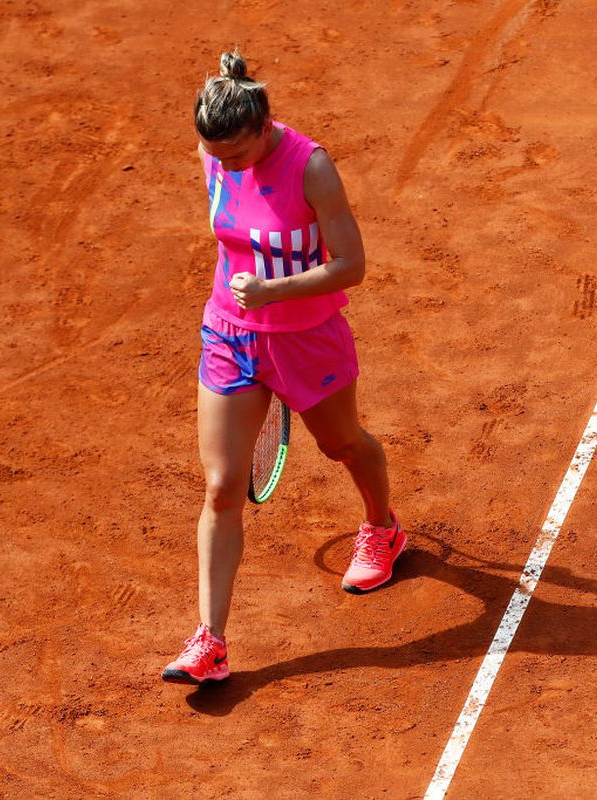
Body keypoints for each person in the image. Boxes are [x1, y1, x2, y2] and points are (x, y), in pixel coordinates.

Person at [161, 51, 405, 686]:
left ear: (266, 125)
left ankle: (382, 527)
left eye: (239, 155)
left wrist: (274, 291)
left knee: (343, 443)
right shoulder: (214, 155)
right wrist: (249, 301)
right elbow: (232, 225)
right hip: (230, 334)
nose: (228, 165)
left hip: (306, 337)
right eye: (218, 154)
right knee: (219, 487)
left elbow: (351, 265)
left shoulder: (312, 167)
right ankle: (210, 640)